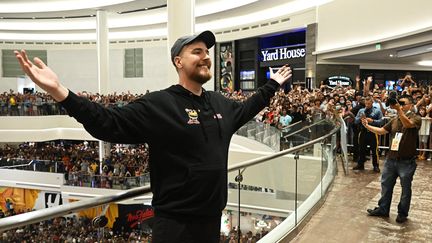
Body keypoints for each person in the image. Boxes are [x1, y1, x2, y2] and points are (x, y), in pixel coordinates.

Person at [14, 30, 292, 242]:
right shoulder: (159, 104)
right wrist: (60, 92)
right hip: (173, 227)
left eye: (207, 51)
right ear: (178, 61)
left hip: (211, 223)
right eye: (197, 51)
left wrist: (272, 85)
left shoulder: (220, 104)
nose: (205, 56)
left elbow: (247, 109)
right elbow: (107, 123)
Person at [363, 95, 421, 223]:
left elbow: (408, 124)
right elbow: (382, 131)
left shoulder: (416, 118)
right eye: (399, 103)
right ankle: (383, 209)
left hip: (406, 161)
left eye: (403, 103)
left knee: (405, 189)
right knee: (386, 185)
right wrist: (367, 126)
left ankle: (402, 213)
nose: (400, 105)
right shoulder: (394, 119)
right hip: (391, 159)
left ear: (411, 105)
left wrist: (399, 111)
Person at [353, 96, 383, 172]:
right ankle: (360, 164)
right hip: (363, 131)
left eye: (369, 104)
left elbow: (381, 122)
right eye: (366, 104)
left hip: (373, 132)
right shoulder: (361, 110)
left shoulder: (377, 111)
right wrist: (360, 118)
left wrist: (372, 121)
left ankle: (376, 165)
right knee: (361, 149)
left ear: (372, 103)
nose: (367, 105)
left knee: (374, 150)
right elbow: (355, 121)